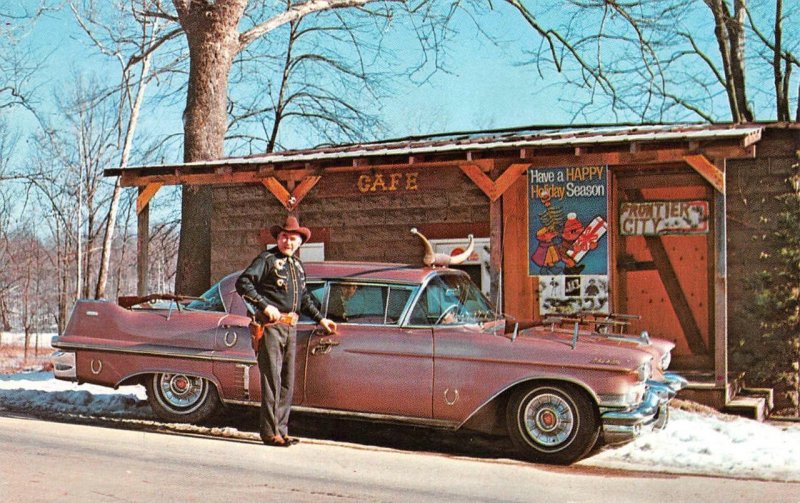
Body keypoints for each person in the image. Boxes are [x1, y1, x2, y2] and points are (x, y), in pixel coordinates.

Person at [235, 216, 336, 447]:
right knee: (272, 379)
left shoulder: (297, 266)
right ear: (278, 238)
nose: (288, 242)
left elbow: (304, 299)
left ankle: (281, 429)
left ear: (300, 242)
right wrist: (264, 305)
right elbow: (243, 283)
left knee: (287, 381)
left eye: (293, 238)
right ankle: (270, 433)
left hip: (291, 327)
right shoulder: (267, 259)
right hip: (271, 327)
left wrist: (321, 320)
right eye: (284, 237)